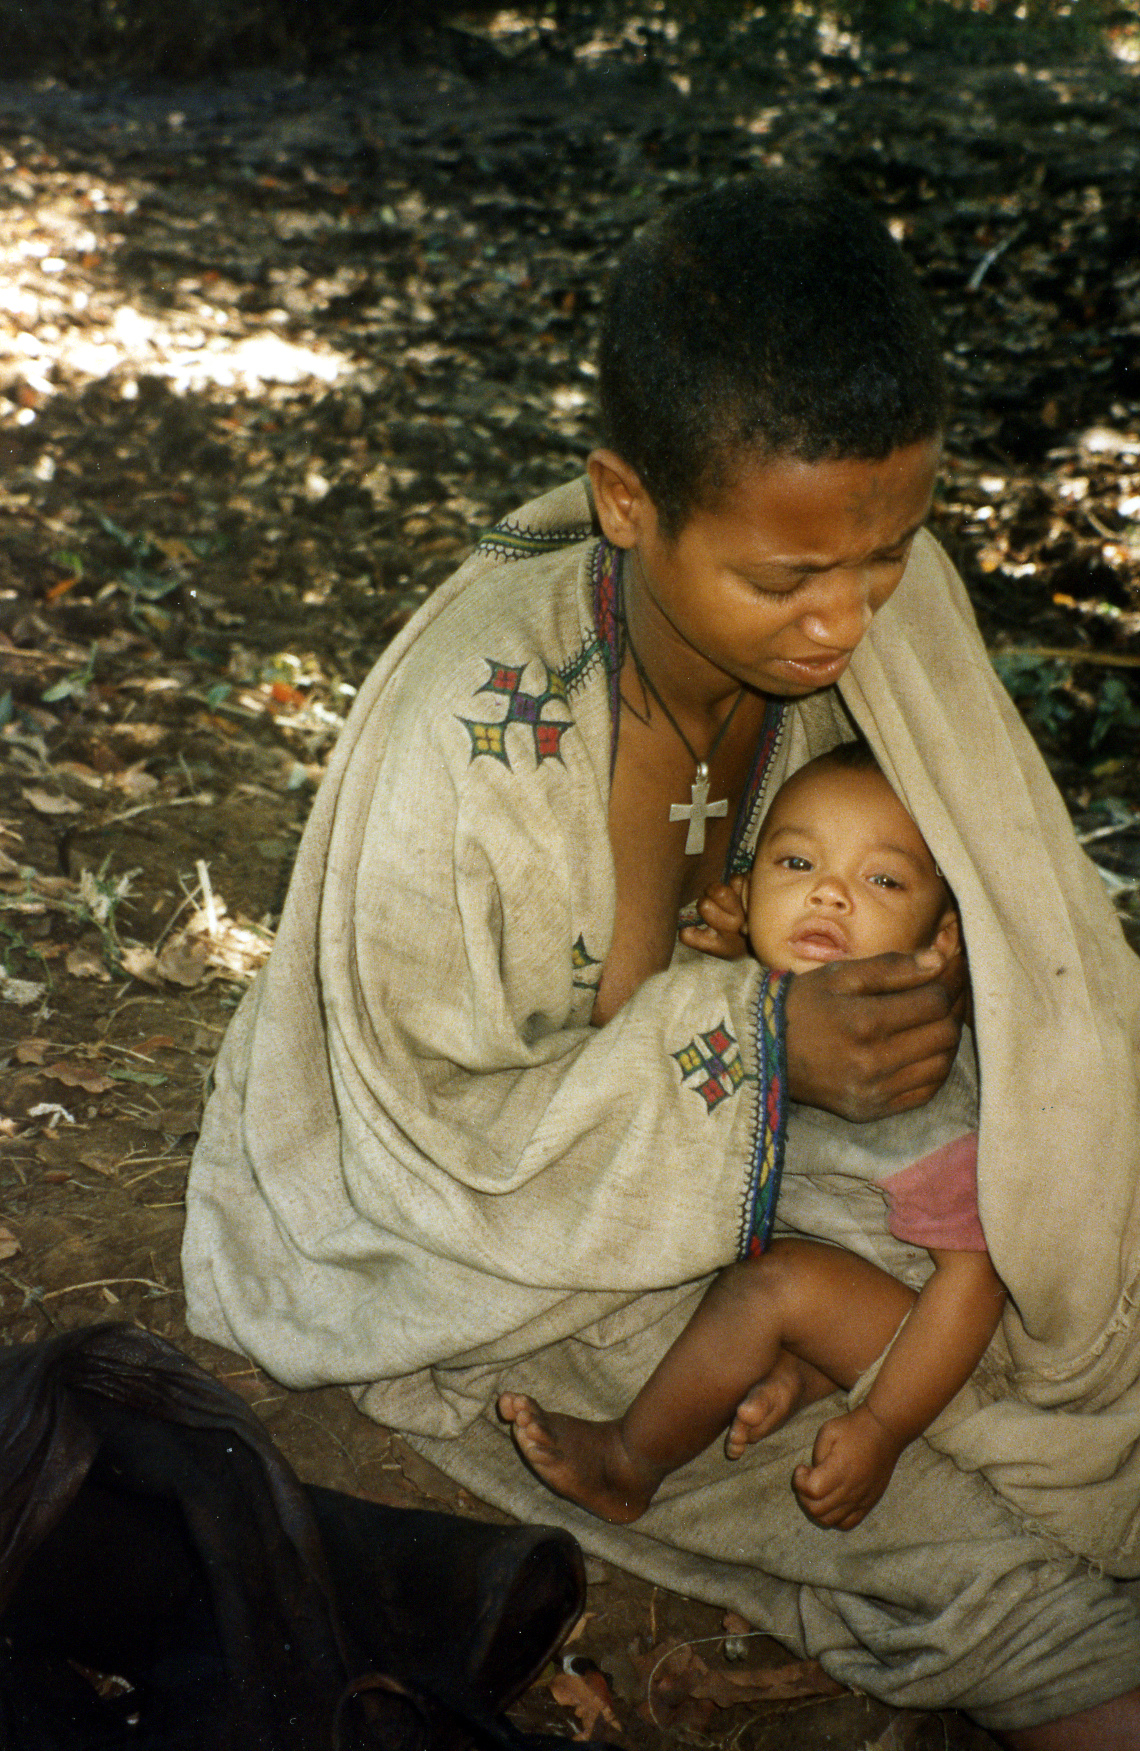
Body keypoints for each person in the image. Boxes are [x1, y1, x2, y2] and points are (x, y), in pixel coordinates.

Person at [182, 173, 1140, 1745]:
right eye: (787, 580)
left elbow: (1040, 968)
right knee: (1016, 1588)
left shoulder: (879, 594)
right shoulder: (471, 738)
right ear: (629, 502)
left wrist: (905, 1030)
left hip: (833, 1206)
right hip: (497, 1251)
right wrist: (763, 1053)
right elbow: (423, 1141)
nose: (846, 622)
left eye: (888, 555)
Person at [499, 746, 1008, 1531]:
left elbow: (974, 1281)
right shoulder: (753, 998)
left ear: (943, 938)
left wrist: (884, 1427)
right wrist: (746, 948)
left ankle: (630, 1464)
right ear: (748, 884)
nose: (829, 892)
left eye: (882, 880)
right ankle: (799, 1372)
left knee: (770, 1287)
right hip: (852, 1272)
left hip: (925, 1324)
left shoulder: (917, 1087)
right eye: (797, 862)